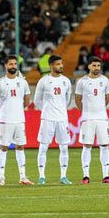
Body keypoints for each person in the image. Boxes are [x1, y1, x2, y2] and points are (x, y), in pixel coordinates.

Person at [0, 55, 33, 186]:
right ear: (5, 66)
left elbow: (27, 99)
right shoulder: (0, 83)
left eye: (15, 64)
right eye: (10, 64)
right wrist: (5, 111)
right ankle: (1, 177)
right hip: (6, 121)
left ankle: (23, 176)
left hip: (19, 120)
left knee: (20, 147)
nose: (13, 66)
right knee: (4, 147)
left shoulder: (23, 82)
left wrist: (18, 110)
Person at [75, 57, 109, 184]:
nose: (97, 68)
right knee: (87, 146)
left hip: (102, 118)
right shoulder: (82, 82)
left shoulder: (105, 80)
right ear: (89, 66)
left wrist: (99, 110)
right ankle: (85, 176)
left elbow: (107, 98)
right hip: (88, 118)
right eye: (94, 65)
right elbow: (77, 100)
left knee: (104, 145)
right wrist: (86, 112)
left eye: (98, 65)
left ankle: (106, 176)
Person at [34, 55, 72, 185]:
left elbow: (67, 100)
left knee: (64, 148)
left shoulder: (66, 81)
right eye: (57, 64)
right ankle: (41, 176)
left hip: (62, 118)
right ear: (51, 66)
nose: (60, 66)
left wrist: (60, 109)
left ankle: (63, 176)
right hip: (47, 118)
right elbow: (37, 100)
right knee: (43, 147)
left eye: (61, 64)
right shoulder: (43, 81)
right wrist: (46, 110)